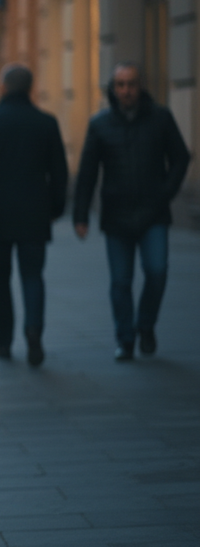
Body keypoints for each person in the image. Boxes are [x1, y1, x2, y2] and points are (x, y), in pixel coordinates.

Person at [74, 62, 191, 361]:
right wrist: (81, 215)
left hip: (154, 212)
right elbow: (87, 171)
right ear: (113, 89)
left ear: (141, 87)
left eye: (131, 84)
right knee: (121, 281)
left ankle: (146, 324)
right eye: (121, 85)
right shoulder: (100, 124)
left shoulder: (160, 118)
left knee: (157, 272)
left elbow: (180, 157)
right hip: (116, 215)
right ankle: (125, 339)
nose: (126, 90)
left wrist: (166, 192)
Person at [0, 63, 68, 367]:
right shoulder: (46, 123)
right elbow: (59, 172)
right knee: (33, 276)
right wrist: (56, 208)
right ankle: (34, 333)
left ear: (2, 88)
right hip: (36, 214)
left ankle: (3, 341)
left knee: (1, 280)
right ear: (30, 89)